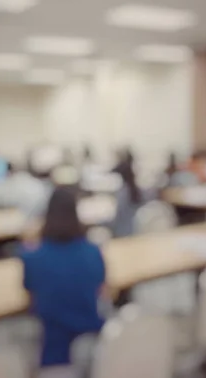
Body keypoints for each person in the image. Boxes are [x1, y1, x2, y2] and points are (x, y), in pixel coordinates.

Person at [20, 187, 106, 368]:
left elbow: (30, 296)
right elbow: (102, 288)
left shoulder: (32, 258)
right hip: (94, 345)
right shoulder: (93, 252)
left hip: (55, 350)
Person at [111, 156, 143, 237]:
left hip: (122, 233)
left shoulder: (123, 193)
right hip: (136, 231)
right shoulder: (136, 189)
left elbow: (117, 219)